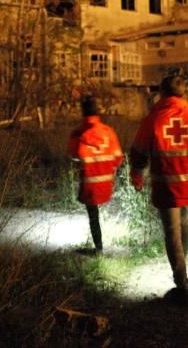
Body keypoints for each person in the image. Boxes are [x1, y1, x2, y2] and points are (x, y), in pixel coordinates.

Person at [130, 75, 188, 300]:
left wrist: (137, 175)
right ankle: (184, 268)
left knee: (172, 233)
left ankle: (182, 286)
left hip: (165, 186)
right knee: (184, 223)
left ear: (162, 93)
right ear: (183, 93)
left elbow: (138, 153)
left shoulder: (153, 120)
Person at [67, 95, 123, 255]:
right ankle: (104, 242)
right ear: (97, 111)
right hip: (107, 183)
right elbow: (118, 158)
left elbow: (72, 156)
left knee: (93, 215)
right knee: (99, 211)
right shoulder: (109, 132)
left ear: (82, 112)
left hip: (89, 184)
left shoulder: (78, 134)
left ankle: (98, 248)